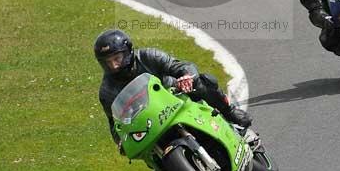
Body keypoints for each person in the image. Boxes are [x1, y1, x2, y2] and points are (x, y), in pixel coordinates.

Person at [94, 28, 251, 147]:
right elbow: (114, 124)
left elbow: (181, 66)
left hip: (173, 94)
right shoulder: (107, 91)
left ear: (128, 51)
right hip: (149, 120)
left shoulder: (149, 56)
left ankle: (229, 112)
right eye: (107, 62)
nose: (114, 66)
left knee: (202, 82)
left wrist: (186, 77)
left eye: (117, 58)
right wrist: (121, 141)